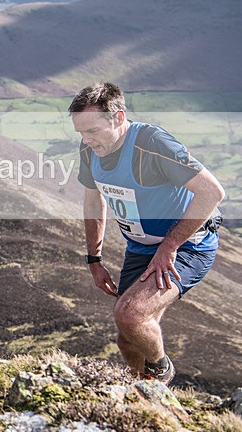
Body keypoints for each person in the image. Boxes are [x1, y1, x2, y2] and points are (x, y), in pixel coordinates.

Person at [69, 83, 224, 385]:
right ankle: (142, 394)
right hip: (141, 248)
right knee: (128, 339)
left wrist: (170, 246)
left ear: (118, 117)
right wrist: (94, 258)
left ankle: (160, 372)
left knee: (130, 315)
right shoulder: (91, 149)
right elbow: (93, 198)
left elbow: (211, 192)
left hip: (188, 245)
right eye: (81, 133)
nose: (87, 140)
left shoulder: (152, 144)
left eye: (93, 130)